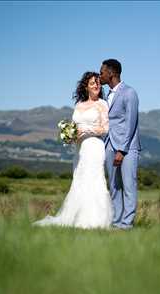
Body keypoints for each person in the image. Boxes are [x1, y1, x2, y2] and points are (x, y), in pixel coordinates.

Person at [33, 72, 113, 229]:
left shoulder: (102, 104)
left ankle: (94, 220)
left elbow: (105, 128)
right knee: (79, 180)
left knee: (94, 180)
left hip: (94, 146)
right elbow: (75, 127)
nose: (96, 85)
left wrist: (86, 130)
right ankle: (75, 217)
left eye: (97, 83)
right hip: (79, 149)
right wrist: (71, 136)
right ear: (86, 86)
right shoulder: (79, 105)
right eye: (92, 83)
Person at [99, 59, 141, 229]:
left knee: (129, 185)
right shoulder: (106, 94)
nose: (99, 75)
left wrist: (122, 150)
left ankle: (127, 224)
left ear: (112, 73)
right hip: (109, 145)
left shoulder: (129, 93)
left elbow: (131, 123)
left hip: (127, 147)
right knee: (114, 187)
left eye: (102, 72)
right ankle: (116, 222)